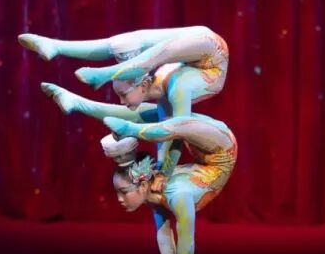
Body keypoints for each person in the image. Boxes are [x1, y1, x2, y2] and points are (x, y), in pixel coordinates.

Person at [19, 25, 229, 175]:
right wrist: (161, 168)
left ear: (143, 85)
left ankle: (105, 73)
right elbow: (167, 138)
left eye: (123, 95)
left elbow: (180, 131)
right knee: (127, 42)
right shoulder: (165, 93)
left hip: (213, 54)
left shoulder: (177, 89)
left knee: (156, 59)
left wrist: (164, 172)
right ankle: (56, 47)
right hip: (198, 47)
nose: (121, 101)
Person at [103, 112, 237, 254]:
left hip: (223, 150)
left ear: (142, 185)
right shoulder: (151, 194)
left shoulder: (178, 195)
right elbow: (164, 233)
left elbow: (186, 239)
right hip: (201, 152)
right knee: (170, 121)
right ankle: (138, 123)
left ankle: (127, 125)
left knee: (171, 122)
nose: (119, 199)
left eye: (123, 192)